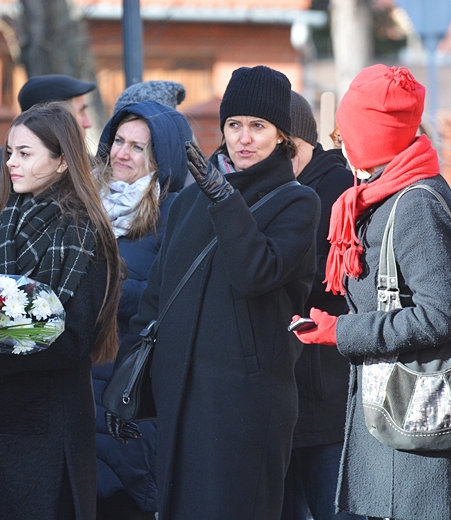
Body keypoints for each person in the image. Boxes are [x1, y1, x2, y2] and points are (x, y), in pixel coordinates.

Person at [109, 65, 321, 519]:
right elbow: (156, 300)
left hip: (245, 403)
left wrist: (225, 201)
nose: (244, 138)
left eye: (258, 126)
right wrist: (130, 383)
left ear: (281, 136)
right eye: (234, 125)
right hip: (180, 395)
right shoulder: (188, 200)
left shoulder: (297, 201)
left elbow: (255, 273)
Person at [293, 65, 451, 520]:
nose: (340, 144)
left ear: (372, 137)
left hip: (417, 432)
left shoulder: (416, 203)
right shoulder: (381, 194)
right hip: (394, 428)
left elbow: (441, 314)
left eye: (346, 132)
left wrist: (340, 331)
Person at [0, 102, 121, 520]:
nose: (10, 163)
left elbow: (73, 339)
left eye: (25, 153)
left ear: (61, 162)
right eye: (8, 152)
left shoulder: (82, 232)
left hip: (47, 428)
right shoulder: (11, 219)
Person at [92, 100, 192, 520]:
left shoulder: (173, 214)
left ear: (160, 158)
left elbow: (169, 298)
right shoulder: (87, 204)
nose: (122, 154)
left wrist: (105, 289)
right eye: (118, 141)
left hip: (129, 386)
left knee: (123, 495)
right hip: (82, 380)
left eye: (138, 148)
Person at [281, 91, 360, 520]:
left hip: (324, 393)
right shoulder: (279, 187)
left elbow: (333, 285)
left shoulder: (336, 189)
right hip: (286, 398)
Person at [0, 74, 96, 228]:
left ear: (63, 161)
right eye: (81, 112)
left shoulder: (91, 166)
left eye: (24, 154)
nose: (88, 123)